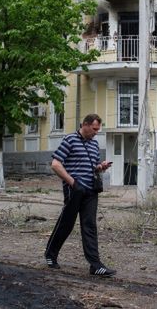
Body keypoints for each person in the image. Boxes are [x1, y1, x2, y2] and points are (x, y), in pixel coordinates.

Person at [44, 113, 115, 277]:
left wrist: (101, 167)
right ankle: (50, 254)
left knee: (89, 225)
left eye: (98, 130)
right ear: (85, 124)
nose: (96, 132)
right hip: (74, 189)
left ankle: (95, 265)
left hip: (91, 190)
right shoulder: (70, 140)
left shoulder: (94, 144)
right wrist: (73, 182)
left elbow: (94, 167)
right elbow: (55, 164)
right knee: (66, 224)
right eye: (94, 129)